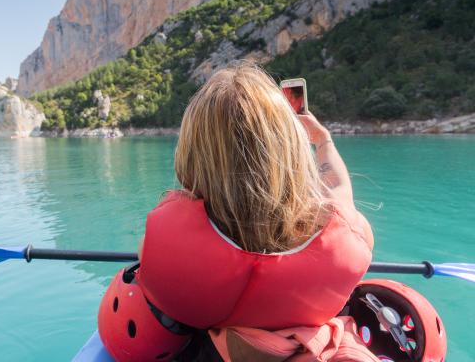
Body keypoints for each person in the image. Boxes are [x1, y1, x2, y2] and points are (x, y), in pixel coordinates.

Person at [98, 62, 375, 361]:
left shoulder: (161, 249)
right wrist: (322, 141)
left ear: (191, 155)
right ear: (291, 149)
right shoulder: (350, 240)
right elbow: (338, 188)